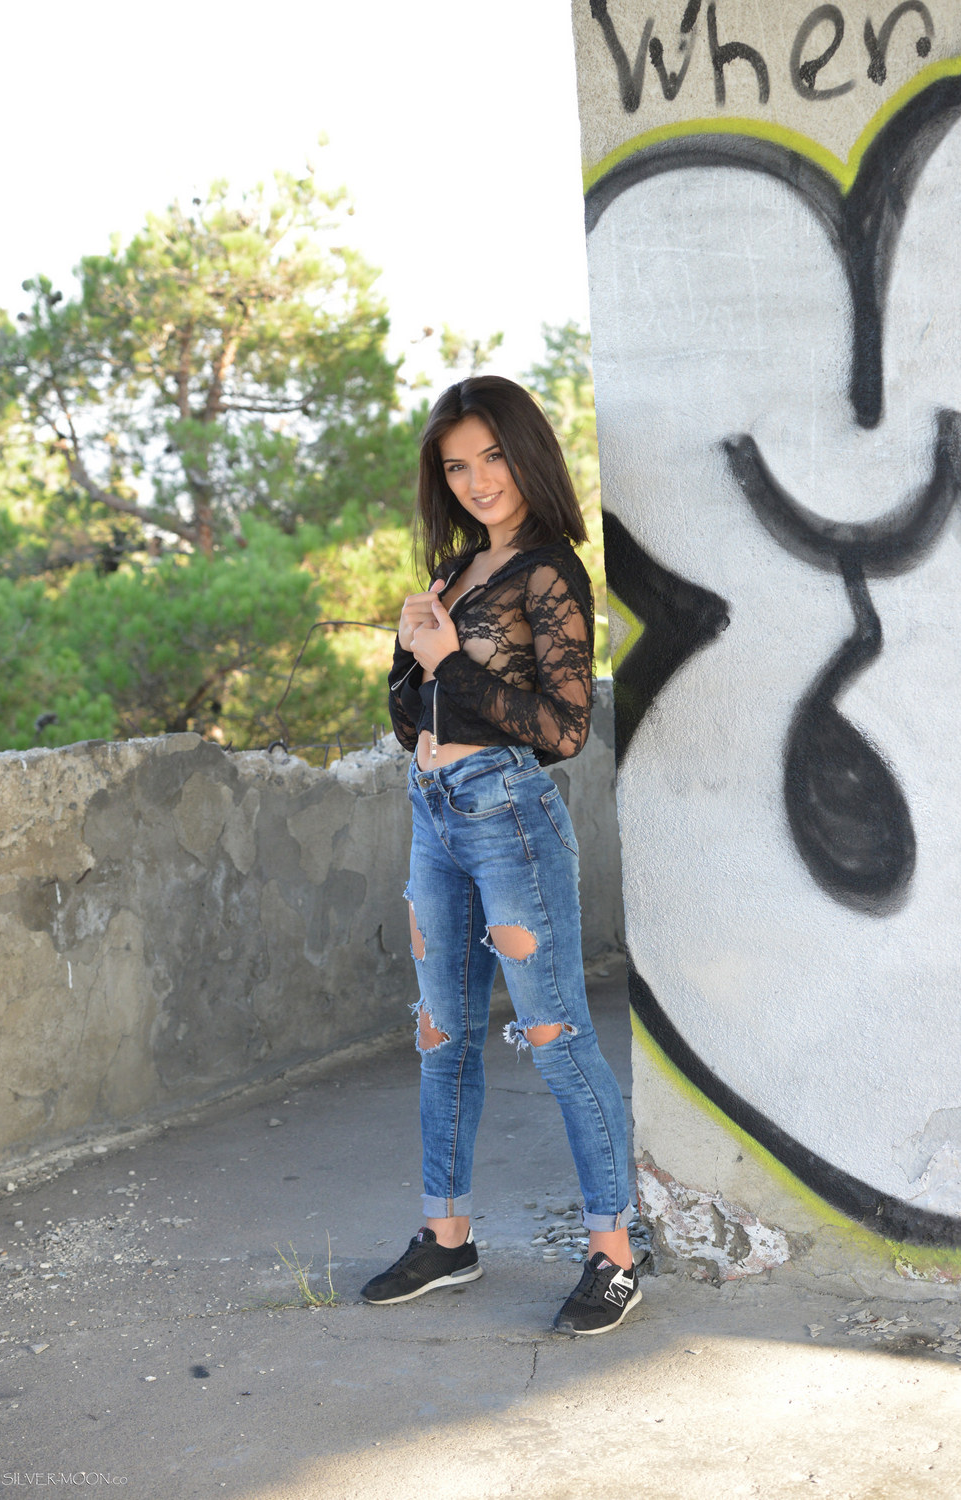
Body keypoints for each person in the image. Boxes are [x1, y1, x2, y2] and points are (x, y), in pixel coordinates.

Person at [360, 375, 640, 1335]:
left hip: (507, 816)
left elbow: (563, 730)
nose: (478, 481)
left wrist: (447, 662)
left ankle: (613, 1254)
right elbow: (411, 724)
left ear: (526, 457)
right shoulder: (456, 572)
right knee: (441, 1035)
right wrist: (412, 653)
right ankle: (446, 1237)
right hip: (432, 811)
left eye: (492, 458)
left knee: (555, 1038)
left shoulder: (550, 573)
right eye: (456, 467)